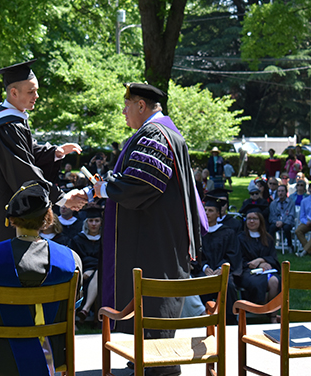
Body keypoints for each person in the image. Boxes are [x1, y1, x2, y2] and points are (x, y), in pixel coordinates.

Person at [94, 82, 203, 376]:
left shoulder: (154, 134)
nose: (123, 112)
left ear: (141, 105)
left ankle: (160, 366)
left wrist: (104, 188)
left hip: (156, 238)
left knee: (156, 298)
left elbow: (144, 184)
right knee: (148, 297)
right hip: (155, 233)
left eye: (127, 105)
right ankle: (148, 358)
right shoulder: (162, 131)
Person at [0, 60, 87, 247]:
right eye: (31, 91)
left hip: (2, 202)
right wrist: (62, 198)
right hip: (2, 206)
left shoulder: (9, 116)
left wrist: (55, 152)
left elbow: (25, 149)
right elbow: (23, 171)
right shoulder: (6, 126)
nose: (36, 96)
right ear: (14, 92)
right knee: (5, 261)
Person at [0, 180, 82, 376]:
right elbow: (75, 303)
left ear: (11, 219)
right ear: (47, 218)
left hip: (0, 354)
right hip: (52, 353)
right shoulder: (70, 259)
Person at [199, 196, 242, 325]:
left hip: (223, 270)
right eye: (205, 210)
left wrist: (220, 268)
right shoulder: (199, 233)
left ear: (218, 214)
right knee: (198, 282)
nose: (207, 213)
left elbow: (232, 254)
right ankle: (202, 317)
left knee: (228, 284)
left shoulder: (227, 232)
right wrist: (204, 267)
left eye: (211, 210)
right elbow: (196, 256)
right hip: (203, 271)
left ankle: (228, 319)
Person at [237, 208, 281, 321]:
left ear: (260, 221)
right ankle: (265, 306)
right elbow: (238, 259)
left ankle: (272, 315)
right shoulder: (240, 238)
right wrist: (255, 264)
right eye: (249, 219)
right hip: (247, 271)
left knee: (275, 281)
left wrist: (262, 260)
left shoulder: (268, 238)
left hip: (267, 270)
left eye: (255, 219)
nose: (251, 221)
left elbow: (273, 258)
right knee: (257, 283)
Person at [70, 207, 103, 322]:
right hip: (83, 272)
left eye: (97, 221)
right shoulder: (78, 240)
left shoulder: (105, 240)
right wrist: (83, 270)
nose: (93, 224)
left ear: (101, 223)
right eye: (91, 221)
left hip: (99, 272)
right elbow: (74, 258)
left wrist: (92, 270)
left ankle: (85, 309)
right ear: (86, 222)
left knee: (99, 273)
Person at [268, 184, 295, 251]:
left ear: (286, 192)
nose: (281, 193)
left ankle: (289, 246)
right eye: (279, 191)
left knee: (286, 228)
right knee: (271, 228)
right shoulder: (273, 203)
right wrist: (277, 222)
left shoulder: (291, 203)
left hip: (287, 222)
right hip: (276, 222)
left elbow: (291, 215)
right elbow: (272, 216)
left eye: (282, 191)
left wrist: (283, 222)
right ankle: (271, 247)